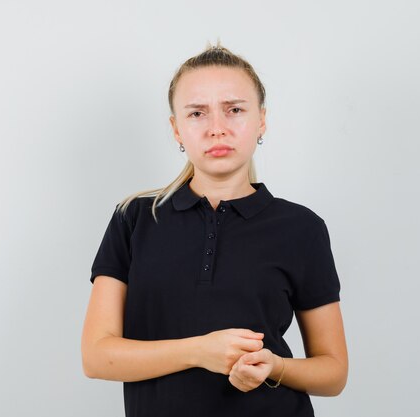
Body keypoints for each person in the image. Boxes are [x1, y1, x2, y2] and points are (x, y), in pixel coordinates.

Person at [81, 42, 348, 417]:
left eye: (234, 110)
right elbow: (96, 356)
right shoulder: (134, 218)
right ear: (176, 128)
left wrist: (276, 367)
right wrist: (198, 351)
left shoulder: (302, 228)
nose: (217, 129)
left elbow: (333, 373)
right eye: (197, 114)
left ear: (262, 121)